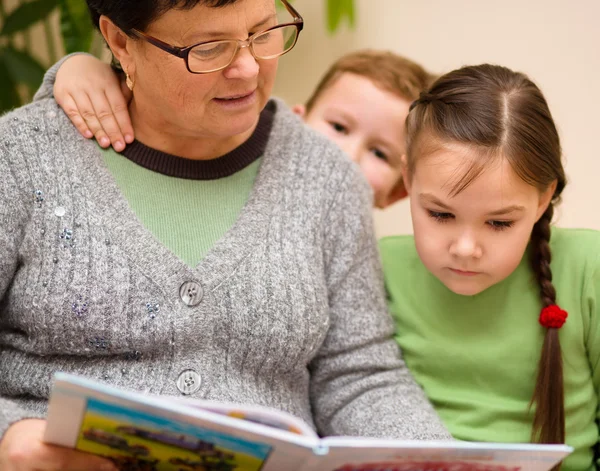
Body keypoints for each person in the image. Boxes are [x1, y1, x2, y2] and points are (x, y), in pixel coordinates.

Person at [0, 0, 450, 469]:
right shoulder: (19, 156)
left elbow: (359, 377)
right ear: (119, 41)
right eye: (210, 48)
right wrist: (9, 435)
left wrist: (442, 462)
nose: (248, 68)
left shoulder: (330, 179)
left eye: (262, 33)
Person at [379, 63, 600, 471]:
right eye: (440, 214)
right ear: (408, 179)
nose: (466, 249)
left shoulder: (589, 267)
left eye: (499, 223)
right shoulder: (377, 267)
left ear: (543, 198)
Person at [48, 49, 434, 209]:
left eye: (379, 153)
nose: (347, 155)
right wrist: (77, 65)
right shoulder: (240, 158)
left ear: (397, 193)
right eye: (338, 127)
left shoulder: (359, 263)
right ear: (296, 120)